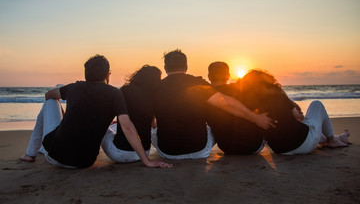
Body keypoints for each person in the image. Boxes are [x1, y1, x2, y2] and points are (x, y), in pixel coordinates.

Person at [20, 55, 172, 169]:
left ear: (86, 73)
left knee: (50, 103)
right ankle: (39, 149)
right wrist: (146, 160)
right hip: (85, 162)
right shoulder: (114, 94)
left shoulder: (74, 87)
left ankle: (30, 154)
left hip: (54, 156)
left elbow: (49, 95)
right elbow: (127, 126)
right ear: (108, 75)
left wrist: (64, 109)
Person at [152, 49, 275, 160]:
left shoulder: (155, 87)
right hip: (200, 151)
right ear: (186, 66)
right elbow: (226, 103)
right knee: (209, 126)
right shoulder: (198, 83)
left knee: (154, 130)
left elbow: (149, 118)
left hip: (168, 153)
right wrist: (256, 117)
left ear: (165, 67)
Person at [239, 70, 350, 155]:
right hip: (303, 145)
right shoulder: (278, 98)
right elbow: (299, 117)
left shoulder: (249, 105)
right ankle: (332, 140)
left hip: (280, 150)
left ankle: (338, 137)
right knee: (316, 105)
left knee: (308, 129)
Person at [101, 65, 161, 162]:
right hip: (145, 152)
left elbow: (109, 116)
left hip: (119, 153)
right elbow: (153, 124)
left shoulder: (125, 91)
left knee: (105, 129)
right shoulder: (153, 96)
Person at [206, 62, 264, 155]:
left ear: (209, 76)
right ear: (228, 76)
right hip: (253, 146)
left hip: (227, 148)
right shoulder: (240, 90)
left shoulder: (205, 97)